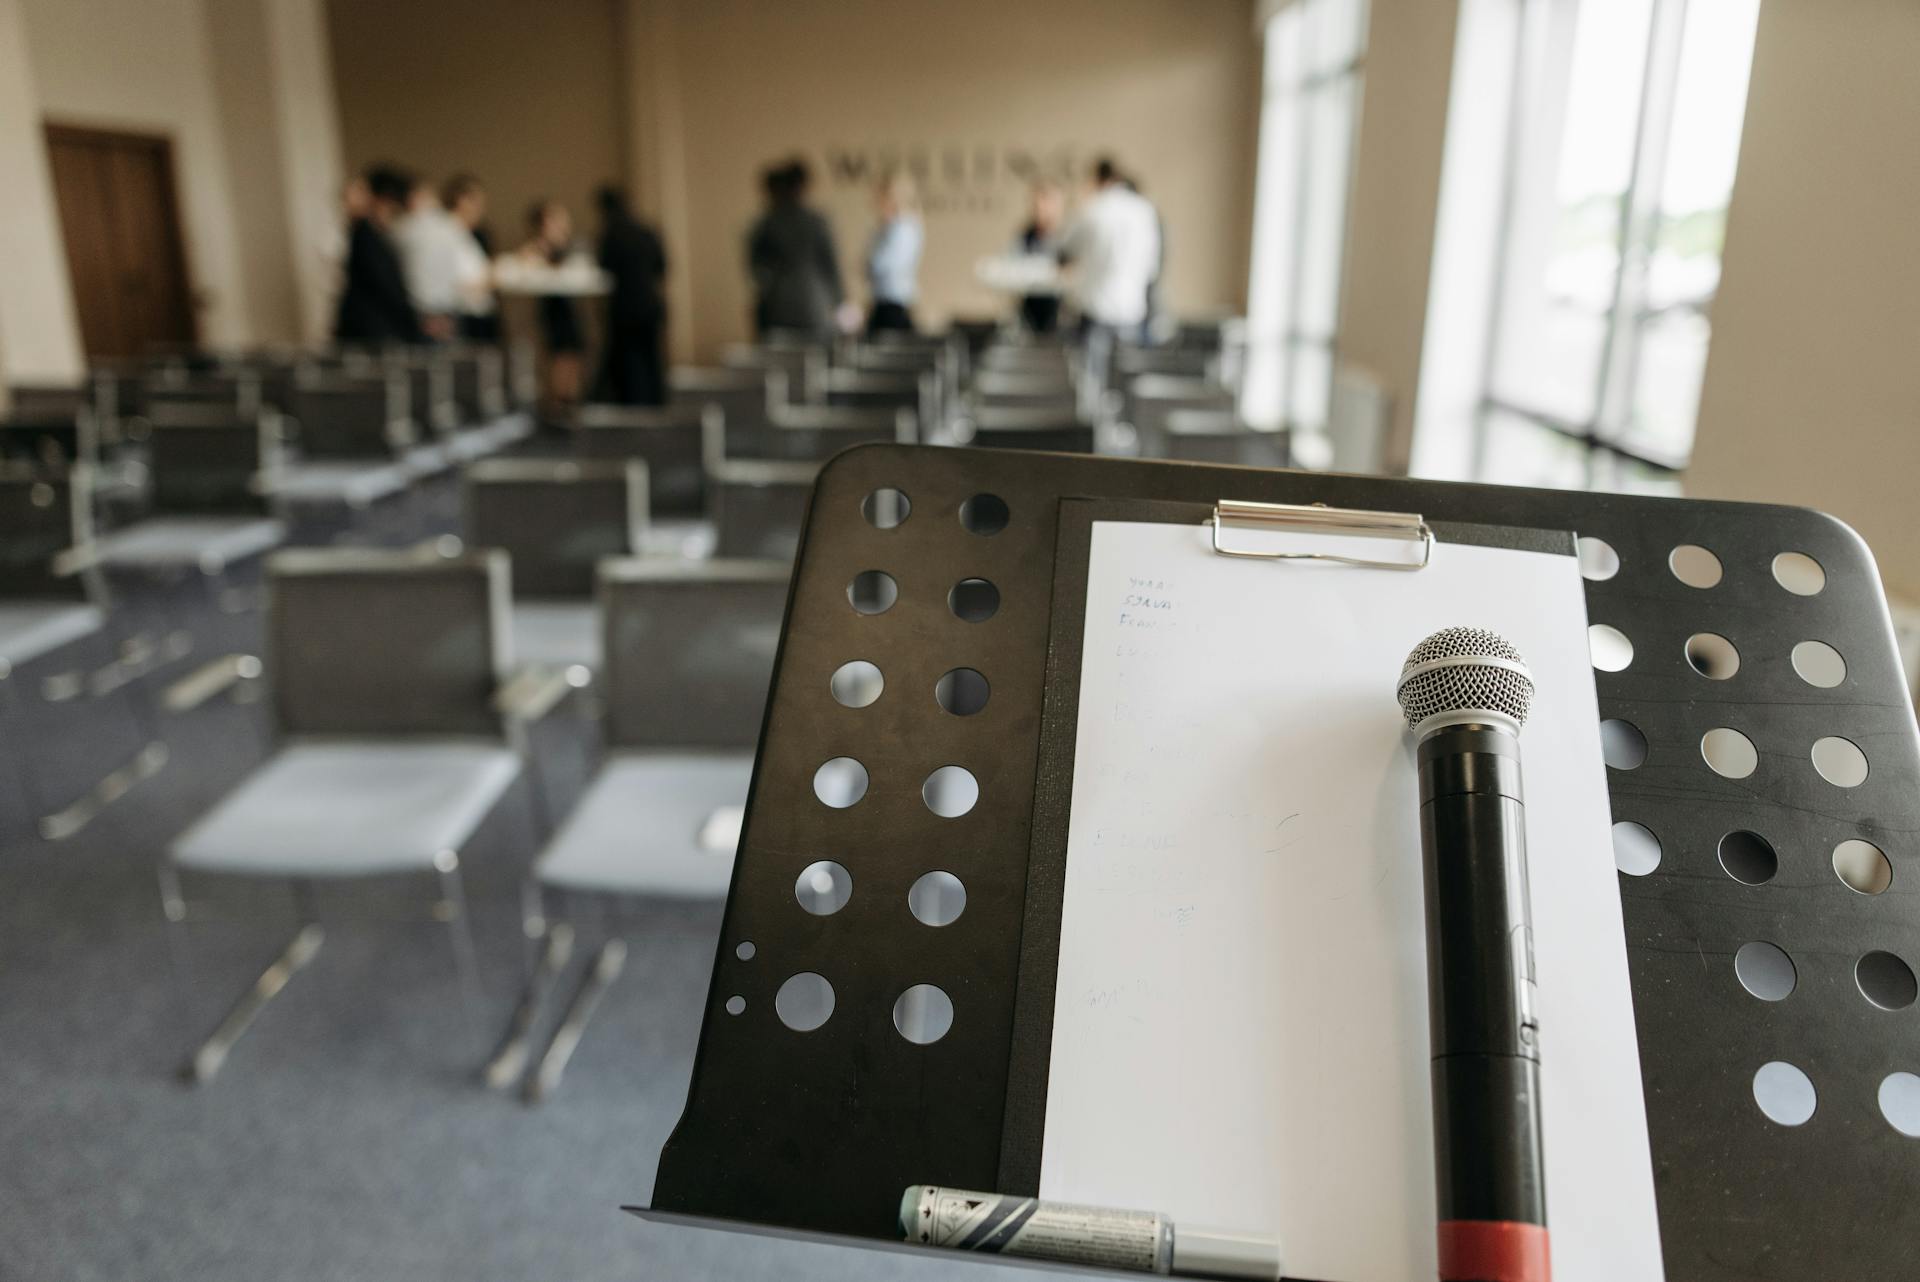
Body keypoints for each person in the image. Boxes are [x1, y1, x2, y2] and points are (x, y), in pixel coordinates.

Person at [1056, 157, 1161, 384]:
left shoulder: (1093, 208)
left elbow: (1064, 252)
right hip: (1132, 310)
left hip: (1096, 310)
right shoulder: (1145, 210)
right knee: (1126, 381)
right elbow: (1152, 266)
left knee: (1092, 381)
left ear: (1098, 178)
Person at [746, 159, 847, 340]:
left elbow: (756, 268)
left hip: (777, 308)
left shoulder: (767, 224)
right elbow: (831, 268)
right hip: (813, 308)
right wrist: (841, 303)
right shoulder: (816, 222)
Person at [592, 185, 668, 405]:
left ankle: (634, 404)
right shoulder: (648, 230)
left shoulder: (611, 234)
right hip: (650, 303)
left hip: (625, 305)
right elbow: (662, 267)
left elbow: (605, 270)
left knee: (629, 361)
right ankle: (656, 403)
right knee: (652, 358)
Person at [333, 164, 423, 344]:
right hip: (373, 331)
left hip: (377, 328)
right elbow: (383, 285)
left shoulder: (374, 234)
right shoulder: (364, 234)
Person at [521, 199, 586, 406]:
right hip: (554, 306)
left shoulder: (569, 246)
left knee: (574, 351)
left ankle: (568, 397)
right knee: (560, 354)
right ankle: (556, 400)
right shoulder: (537, 247)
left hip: (569, 306)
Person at [393, 176, 468, 341]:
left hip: (420, 306)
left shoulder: (404, 227)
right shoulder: (452, 224)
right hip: (447, 305)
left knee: (421, 362)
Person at [441, 173, 498, 342]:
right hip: (462, 318)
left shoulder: (468, 236)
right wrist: (492, 277)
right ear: (461, 200)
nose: (481, 210)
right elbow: (454, 284)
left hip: (479, 315)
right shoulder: (446, 233)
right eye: (477, 203)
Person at [864, 172, 923, 335]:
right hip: (882, 298)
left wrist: (869, 264)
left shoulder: (903, 227)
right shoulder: (887, 228)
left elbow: (881, 264)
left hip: (894, 301)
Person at [1014, 179, 1067, 334]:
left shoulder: (1068, 236)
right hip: (1030, 305)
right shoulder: (1026, 236)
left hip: (1062, 309)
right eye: (1036, 204)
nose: (1041, 209)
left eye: (1047, 202)